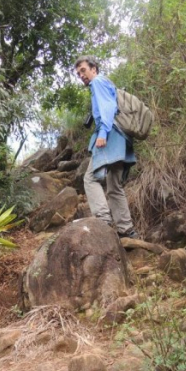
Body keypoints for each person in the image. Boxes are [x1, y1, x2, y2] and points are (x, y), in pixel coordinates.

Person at [75, 55, 138, 239]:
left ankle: (103, 221)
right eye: (79, 73)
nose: (81, 75)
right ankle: (127, 230)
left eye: (84, 70)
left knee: (90, 178)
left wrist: (102, 134)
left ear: (94, 69)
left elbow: (108, 108)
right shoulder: (107, 84)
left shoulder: (98, 82)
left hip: (110, 137)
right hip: (122, 139)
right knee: (114, 186)